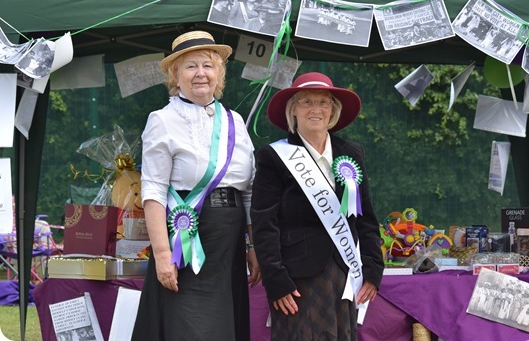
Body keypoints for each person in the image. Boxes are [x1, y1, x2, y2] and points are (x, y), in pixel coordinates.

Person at [131, 30, 261, 341]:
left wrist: (253, 245)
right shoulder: (162, 119)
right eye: (190, 66)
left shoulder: (236, 122)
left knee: (224, 328)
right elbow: (153, 192)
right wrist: (163, 255)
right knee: (190, 328)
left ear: (219, 73)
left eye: (208, 65)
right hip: (186, 245)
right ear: (175, 75)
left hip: (228, 244)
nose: (200, 73)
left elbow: (249, 192)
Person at [251, 72, 384, 340]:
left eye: (323, 102)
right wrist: (276, 280)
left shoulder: (351, 153)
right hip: (297, 277)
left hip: (345, 272)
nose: (316, 109)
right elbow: (264, 224)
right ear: (293, 111)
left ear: (333, 110)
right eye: (307, 102)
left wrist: (372, 268)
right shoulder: (273, 157)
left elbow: (366, 217)